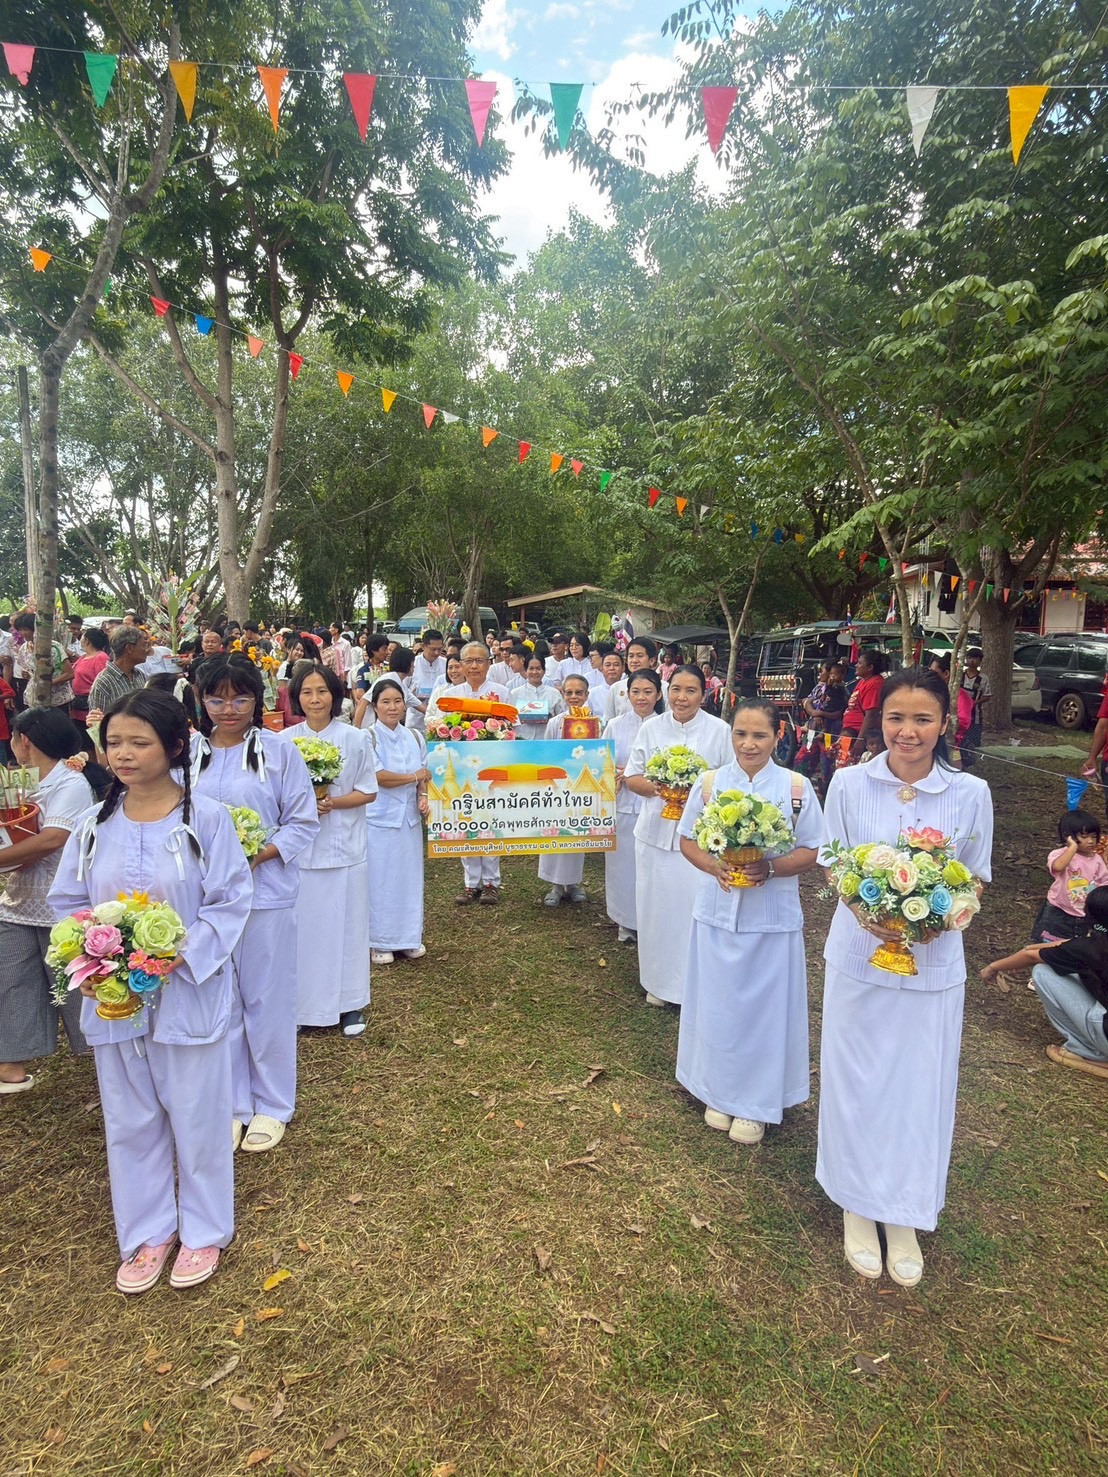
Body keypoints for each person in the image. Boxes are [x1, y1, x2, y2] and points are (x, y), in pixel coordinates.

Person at [48, 689, 252, 1293]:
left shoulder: (205, 820)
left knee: (198, 1115)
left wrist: (174, 955)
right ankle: (147, 1231)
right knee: (131, 1118)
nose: (124, 754)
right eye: (114, 742)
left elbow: (230, 901)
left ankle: (204, 1230)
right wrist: (93, 956)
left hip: (189, 994)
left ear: (173, 745)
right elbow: (68, 905)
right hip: (116, 1001)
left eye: (139, 742)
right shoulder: (92, 827)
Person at [818, 667, 993, 1288]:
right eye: (896, 717)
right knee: (857, 1076)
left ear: (946, 723)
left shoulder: (971, 793)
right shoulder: (846, 783)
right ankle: (857, 1204)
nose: (908, 732)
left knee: (921, 1084)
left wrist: (934, 921)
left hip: (934, 962)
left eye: (923, 719)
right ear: (879, 719)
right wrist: (869, 912)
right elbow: (835, 863)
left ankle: (906, 1213)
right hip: (860, 957)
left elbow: (974, 876)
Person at [676, 699, 821, 1144]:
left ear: (778, 736)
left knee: (764, 1011)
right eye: (741, 734)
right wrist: (714, 866)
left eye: (760, 735)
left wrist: (773, 868)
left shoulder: (796, 788)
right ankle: (716, 1090)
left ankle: (756, 1103)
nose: (749, 743)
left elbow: (812, 849)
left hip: (771, 919)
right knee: (717, 1002)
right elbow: (687, 839)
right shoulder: (709, 783)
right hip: (718, 914)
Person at [191, 657, 318, 1152]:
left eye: (240, 698)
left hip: (265, 894)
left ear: (257, 699)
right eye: (217, 698)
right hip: (205, 900)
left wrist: (254, 855)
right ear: (201, 700)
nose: (228, 709)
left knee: (266, 999)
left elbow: (302, 821)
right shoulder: (189, 755)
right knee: (218, 999)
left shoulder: (278, 752)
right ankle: (230, 1102)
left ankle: (272, 1104)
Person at [0, 709, 108, 1092]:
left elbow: (53, 838)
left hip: (57, 901)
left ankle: (101, 1052)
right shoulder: (20, 782)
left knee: (74, 980)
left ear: (24, 740)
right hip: (16, 897)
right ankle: (11, 1064)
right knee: (13, 980)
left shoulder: (70, 783)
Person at [623, 666, 732, 1006]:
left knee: (695, 910)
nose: (682, 698)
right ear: (666, 693)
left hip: (700, 840)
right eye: (676, 690)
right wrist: (662, 787)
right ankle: (659, 983)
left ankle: (698, 985)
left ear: (704, 694)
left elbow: (731, 781)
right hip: (655, 834)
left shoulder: (720, 730)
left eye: (691, 691)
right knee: (657, 911)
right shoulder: (651, 728)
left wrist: (699, 793)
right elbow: (631, 777)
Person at [283, 663, 377, 1036]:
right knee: (306, 932)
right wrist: (302, 805)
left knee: (350, 929)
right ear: (297, 697)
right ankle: (306, 1006)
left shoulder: (355, 739)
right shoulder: (285, 741)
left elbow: (368, 790)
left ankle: (350, 1004)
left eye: (322, 691)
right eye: (307, 692)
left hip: (346, 850)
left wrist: (332, 803)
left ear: (334, 695)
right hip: (302, 855)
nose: (315, 699)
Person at [981, 886, 1108, 1080]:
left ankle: (1090, 1052)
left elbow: (1032, 956)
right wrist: (1029, 949)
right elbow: (1064, 945)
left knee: (1043, 971)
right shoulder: (1093, 944)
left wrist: (993, 967)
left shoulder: (1091, 948)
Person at [429, 642, 512, 905]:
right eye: (469, 661)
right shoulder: (449, 695)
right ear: (460, 665)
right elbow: (434, 727)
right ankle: (470, 884)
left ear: (488, 663)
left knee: (490, 823)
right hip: (461, 771)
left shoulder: (501, 693)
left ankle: (491, 883)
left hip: (491, 770)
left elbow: (511, 730)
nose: (474, 666)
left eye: (480, 660)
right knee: (464, 823)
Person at [366, 677, 430, 966]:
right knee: (380, 881)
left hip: (409, 822)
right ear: (375, 706)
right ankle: (379, 940)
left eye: (397, 701)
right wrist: (416, 777)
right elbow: (379, 778)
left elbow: (426, 775)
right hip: (379, 821)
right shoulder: (368, 738)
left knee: (408, 879)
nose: (393, 707)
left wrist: (423, 795)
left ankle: (408, 938)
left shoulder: (415, 737)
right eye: (385, 702)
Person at [604, 670, 663, 944]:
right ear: (627, 694)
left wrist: (636, 773)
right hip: (623, 804)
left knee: (649, 867)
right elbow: (602, 761)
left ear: (659, 695)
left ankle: (650, 921)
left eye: (648, 692)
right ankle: (624, 921)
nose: (641, 697)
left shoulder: (665, 726)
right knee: (622, 866)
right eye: (636, 691)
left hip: (654, 804)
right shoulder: (615, 725)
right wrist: (616, 772)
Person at [537, 675, 595, 906]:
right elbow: (547, 753)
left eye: (578, 693)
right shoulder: (556, 723)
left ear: (587, 695)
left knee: (575, 835)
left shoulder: (595, 722)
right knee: (555, 834)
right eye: (569, 693)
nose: (574, 697)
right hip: (558, 786)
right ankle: (555, 885)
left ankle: (573, 883)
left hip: (581, 787)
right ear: (562, 696)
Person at [1030, 809, 1108, 943]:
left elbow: (1103, 884)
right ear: (1068, 836)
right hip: (1058, 910)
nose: (1090, 841)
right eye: (1084, 837)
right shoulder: (1059, 854)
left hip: (1085, 914)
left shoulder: (1097, 860)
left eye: (1093, 836)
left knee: (1075, 946)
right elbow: (1058, 867)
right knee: (1047, 943)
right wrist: (1072, 848)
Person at [87, 626, 151, 724]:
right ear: (129, 648)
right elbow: (97, 725)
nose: (146, 650)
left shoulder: (139, 674)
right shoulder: (104, 682)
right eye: (143, 645)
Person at [839, 649, 886, 764]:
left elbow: (871, 714)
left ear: (870, 667)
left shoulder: (874, 683)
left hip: (859, 735)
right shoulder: (864, 681)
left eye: (860, 663)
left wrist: (860, 740)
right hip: (850, 732)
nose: (856, 665)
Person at [604, 636, 665, 722]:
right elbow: (608, 719)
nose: (634, 660)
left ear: (652, 660)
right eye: (631, 656)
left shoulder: (665, 687)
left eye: (639, 656)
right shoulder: (616, 688)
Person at [512, 655, 566, 739]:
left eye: (538, 668)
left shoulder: (554, 693)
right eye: (531, 668)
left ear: (544, 671)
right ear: (526, 670)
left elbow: (562, 719)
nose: (534, 672)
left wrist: (550, 718)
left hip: (546, 741)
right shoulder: (515, 693)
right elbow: (510, 720)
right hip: (522, 740)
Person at [71, 626, 110, 729]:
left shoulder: (101, 657)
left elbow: (104, 680)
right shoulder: (83, 657)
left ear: (87, 641)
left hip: (90, 707)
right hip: (77, 706)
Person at [408, 628, 447, 735]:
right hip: (415, 719)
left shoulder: (446, 664)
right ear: (424, 646)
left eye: (440, 649)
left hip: (440, 719)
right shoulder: (413, 664)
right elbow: (403, 691)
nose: (436, 652)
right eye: (433, 649)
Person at [959, 649, 990, 768]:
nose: (972, 661)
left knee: (974, 740)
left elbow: (988, 696)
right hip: (959, 713)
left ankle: (973, 763)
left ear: (980, 661)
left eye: (976, 659)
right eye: (970, 658)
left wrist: (973, 703)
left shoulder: (983, 678)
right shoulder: (960, 675)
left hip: (975, 715)